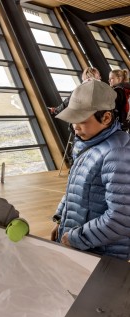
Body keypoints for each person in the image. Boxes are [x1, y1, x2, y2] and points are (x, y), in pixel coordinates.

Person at [51, 80, 130, 260]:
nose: (75, 127)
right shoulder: (88, 144)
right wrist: (61, 221)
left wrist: (75, 238)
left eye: (81, 121)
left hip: (101, 256)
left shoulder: (119, 154)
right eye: (72, 120)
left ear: (106, 117)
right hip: (79, 247)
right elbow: (76, 189)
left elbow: (121, 219)